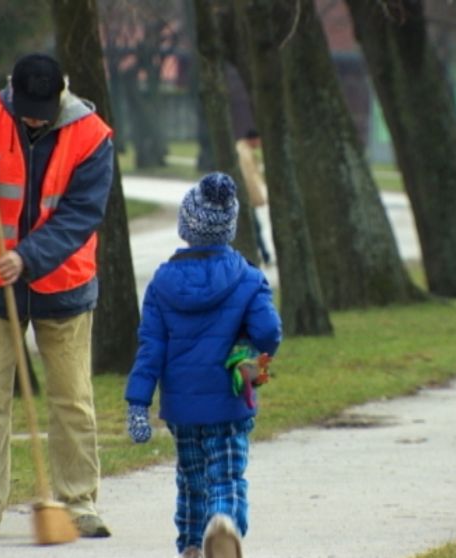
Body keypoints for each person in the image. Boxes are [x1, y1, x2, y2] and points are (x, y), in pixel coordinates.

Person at [0, 52, 114, 540]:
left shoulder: (92, 135)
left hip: (63, 286)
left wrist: (28, 257)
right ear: (13, 92)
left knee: (72, 399)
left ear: (61, 95)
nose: (33, 118)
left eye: (42, 111)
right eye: (26, 109)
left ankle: (79, 502)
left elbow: (81, 214)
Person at [124, 172, 283, 558]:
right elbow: (269, 332)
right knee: (226, 474)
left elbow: (150, 349)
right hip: (230, 400)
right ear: (228, 228)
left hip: (181, 407)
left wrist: (137, 404)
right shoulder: (248, 277)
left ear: (186, 226)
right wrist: (245, 344)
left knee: (191, 478)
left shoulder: (162, 282)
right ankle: (223, 522)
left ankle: (192, 544)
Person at [234, 129, 271, 265]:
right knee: (254, 227)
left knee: (254, 227)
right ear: (253, 139)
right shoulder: (245, 154)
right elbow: (249, 179)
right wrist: (257, 198)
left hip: (242, 198)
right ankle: (262, 255)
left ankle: (262, 255)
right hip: (245, 199)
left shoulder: (242, 150)